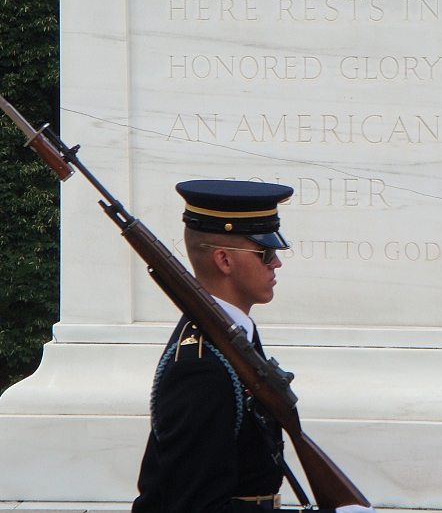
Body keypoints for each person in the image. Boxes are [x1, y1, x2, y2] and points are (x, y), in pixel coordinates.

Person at [131, 180, 374, 513]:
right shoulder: (200, 369)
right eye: (266, 253)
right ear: (224, 261)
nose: (276, 264)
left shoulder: (232, 337)